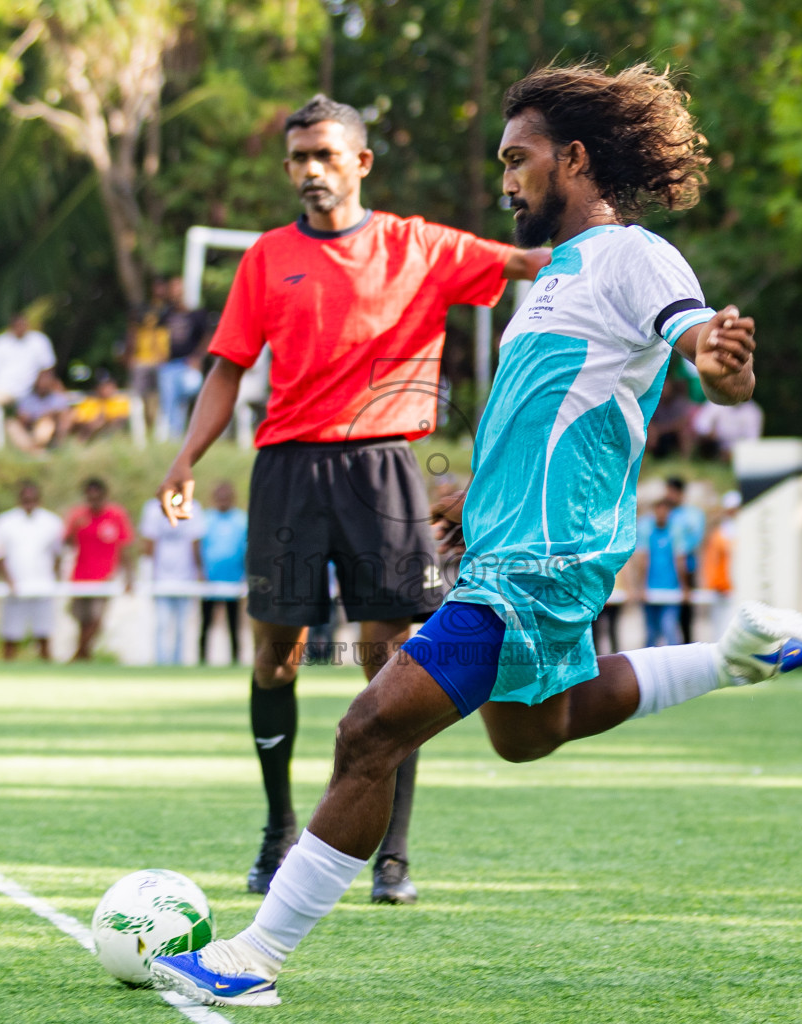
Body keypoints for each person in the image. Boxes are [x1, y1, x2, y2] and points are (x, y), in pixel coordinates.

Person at [150, 62, 802, 1007]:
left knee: (368, 729)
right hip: (507, 550)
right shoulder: (552, 279)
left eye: (518, 159)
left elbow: (706, 356)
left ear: (577, 159)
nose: (505, 180)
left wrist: (721, 365)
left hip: (543, 565)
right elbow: (549, 413)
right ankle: (736, 657)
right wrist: (471, 497)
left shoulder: (633, 254)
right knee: (531, 730)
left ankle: (252, 962)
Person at [155, 93, 549, 903]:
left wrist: (624, 267)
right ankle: (276, 833)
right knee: (277, 656)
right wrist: (186, 456)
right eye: (299, 157)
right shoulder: (266, 258)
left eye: (325, 156)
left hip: (384, 470)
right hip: (287, 471)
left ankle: (392, 856)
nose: (310, 171)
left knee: (392, 665)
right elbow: (227, 367)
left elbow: (531, 265)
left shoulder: (419, 245)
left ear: (360, 162)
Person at [65, 478, 134, 662]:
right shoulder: (78, 516)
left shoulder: (116, 515)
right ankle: (85, 658)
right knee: (82, 620)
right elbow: (66, 544)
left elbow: (124, 547)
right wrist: (74, 528)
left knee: (96, 620)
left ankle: (77, 656)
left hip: (105, 577)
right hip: (80, 576)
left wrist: (129, 576)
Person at [0, 481, 64, 661]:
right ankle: (5, 674)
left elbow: (58, 554)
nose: (29, 502)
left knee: (44, 633)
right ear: (19, 499)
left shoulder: (52, 521)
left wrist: (56, 578)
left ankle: (47, 673)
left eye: (32, 499)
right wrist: (8, 579)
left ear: (39, 500)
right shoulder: (5, 521)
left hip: (43, 584)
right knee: (11, 634)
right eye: (25, 499)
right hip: (15, 586)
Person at [140, 490, 204, 666]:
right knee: (162, 623)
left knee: (183, 626)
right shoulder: (153, 509)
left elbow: (195, 542)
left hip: (186, 576)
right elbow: (148, 543)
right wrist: (147, 572)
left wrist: (199, 571)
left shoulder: (193, 507)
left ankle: (178, 663)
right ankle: (161, 663)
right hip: (160, 576)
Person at [157, 276, 213, 440]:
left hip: (188, 364)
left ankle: (184, 430)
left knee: (189, 390)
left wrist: (198, 358)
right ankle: (171, 433)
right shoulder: (166, 314)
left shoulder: (197, 314)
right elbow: (158, 336)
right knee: (168, 396)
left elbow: (208, 338)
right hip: (169, 365)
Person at [199, 481, 248, 666]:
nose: (222, 501)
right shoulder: (206, 519)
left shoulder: (241, 519)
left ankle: (236, 659)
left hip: (234, 580)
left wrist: (246, 574)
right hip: (209, 580)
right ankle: (202, 660)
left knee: (234, 624)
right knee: (205, 624)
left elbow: (246, 549)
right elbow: (197, 547)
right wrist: (200, 571)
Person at [123, 277, 172, 426]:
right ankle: (139, 430)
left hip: (161, 360)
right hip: (142, 359)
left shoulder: (170, 310)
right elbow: (132, 332)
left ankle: (161, 429)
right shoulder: (143, 308)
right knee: (137, 396)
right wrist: (130, 354)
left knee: (161, 397)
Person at [634, 499, 683, 647]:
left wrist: (683, 585)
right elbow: (643, 561)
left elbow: (679, 560)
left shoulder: (675, 532)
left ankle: (675, 667)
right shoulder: (647, 531)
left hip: (671, 588)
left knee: (669, 629)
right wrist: (641, 587)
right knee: (651, 632)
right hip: (650, 588)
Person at [664, 476, 707, 643]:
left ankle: (688, 646)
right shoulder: (667, 512)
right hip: (667, 569)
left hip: (687, 567)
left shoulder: (693, 514)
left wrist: (679, 548)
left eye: (671, 491)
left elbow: (695, 540)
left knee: (686, 615)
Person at [700, 491, 741, 637]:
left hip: (736, 589)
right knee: (720, 631)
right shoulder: (720, 532)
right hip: (721, 588)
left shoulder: (740, 529)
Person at [6, 368, 75, 453]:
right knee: (11, 424)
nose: (43, 383)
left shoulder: (58, 398)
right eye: (41, 380)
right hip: (29, 428)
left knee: (46, 424)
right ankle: (32, 449)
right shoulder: (27, 398)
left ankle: (38, 449)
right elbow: (21, 418)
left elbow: (65, 417)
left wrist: (52, 416)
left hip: (50, 429)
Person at [692, 397, 763, 461]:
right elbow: (700, 424)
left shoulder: (753, 412)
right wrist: (709, 432)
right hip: (713, 446)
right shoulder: (715, 402)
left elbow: (752, 441)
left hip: (737, 453)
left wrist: (732, 452)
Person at [71, 372, 133, 442]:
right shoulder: (90, 402)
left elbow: (123, 418)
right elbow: (78, 418)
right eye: (102, 386)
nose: (105, 389)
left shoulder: (122, 401)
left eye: (108, 386)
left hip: (113, 431)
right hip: (88, 431)